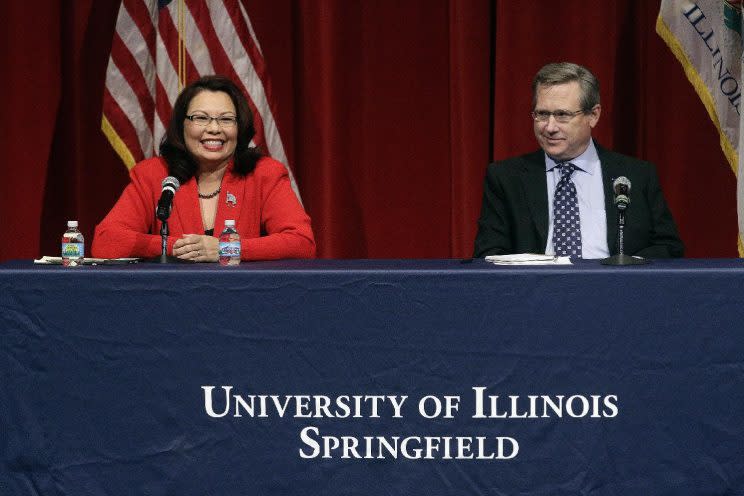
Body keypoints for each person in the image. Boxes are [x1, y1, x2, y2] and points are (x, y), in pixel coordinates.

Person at [93, 75, 315, 261]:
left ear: (240, 128)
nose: (214, 129)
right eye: (201, 118)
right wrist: (176, 247)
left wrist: (225, 249)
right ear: (182, 125)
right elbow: (106, 242)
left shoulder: (264, 174)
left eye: (226, 119)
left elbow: (302, 243)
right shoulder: (154, 175)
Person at [473, 62, 683, 259]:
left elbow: (668, 247)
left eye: (562, 115)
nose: (550, 127)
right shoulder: (506, 178)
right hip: (537, 291)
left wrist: (625, 271)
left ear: (593, 115)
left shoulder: (636, 175)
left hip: (616, 290)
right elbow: (489, 254)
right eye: (542, 114)